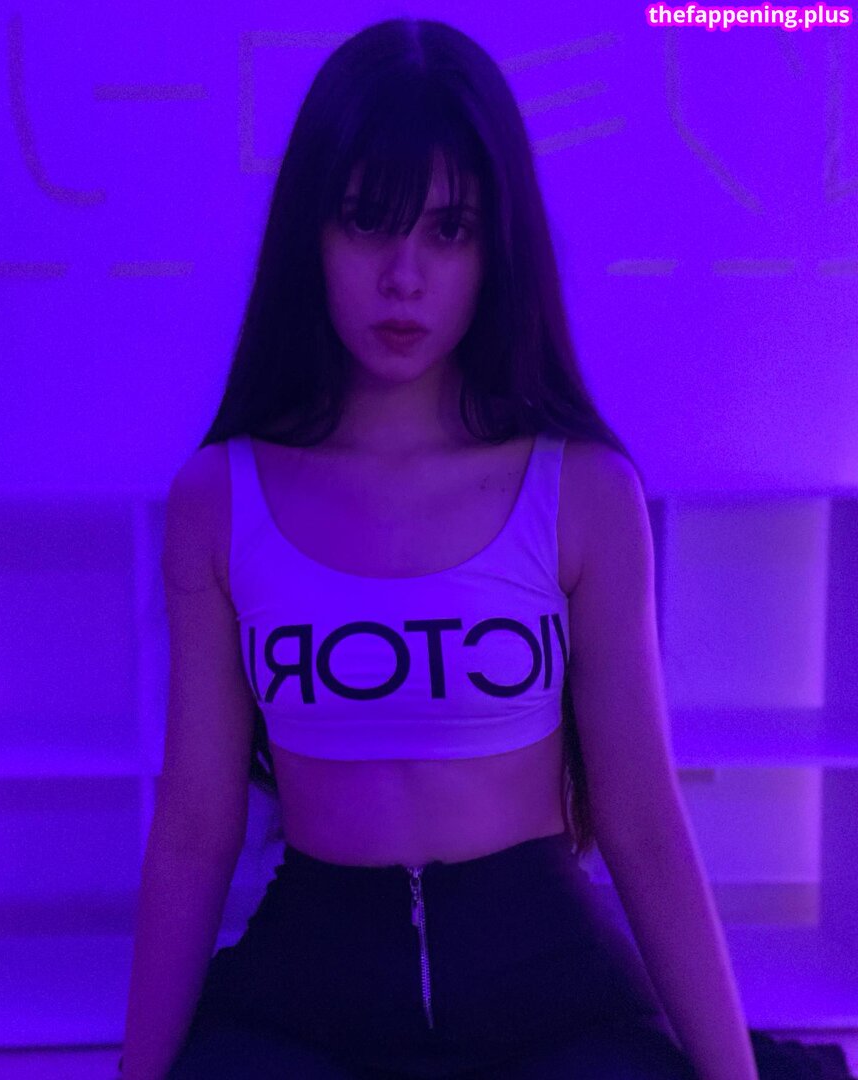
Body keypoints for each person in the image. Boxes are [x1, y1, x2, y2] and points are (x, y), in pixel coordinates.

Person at [119, 17, 761, 1080]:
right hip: (311, 987)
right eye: (367, 223)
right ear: (310, 236)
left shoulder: (584, 491)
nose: (405, 275)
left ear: (496, 248)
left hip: (549, 984)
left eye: (450, 230)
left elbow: (645, 821)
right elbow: (195, 828)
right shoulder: (218, 499)